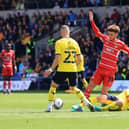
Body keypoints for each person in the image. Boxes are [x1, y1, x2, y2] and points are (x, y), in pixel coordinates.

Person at [72, 10, 129, 112]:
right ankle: (81, 106)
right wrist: (92, 21)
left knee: (103, 94)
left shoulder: (120, 44)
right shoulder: (106, 39)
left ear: (116, 35)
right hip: (100, 69)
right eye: (109, 34)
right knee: (89, 88)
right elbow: (97, 33)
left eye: (111, 34)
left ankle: (105, 107)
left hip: (110, 72)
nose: (109, 36)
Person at [44, 25, 92, 112]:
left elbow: (58, 58)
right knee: (74, 88)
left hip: (62, 69)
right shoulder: (75, 42)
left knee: (53, 85)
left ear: (62, 32)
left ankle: (49, 107)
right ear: (68, 32)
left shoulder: (59, 42)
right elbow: (80, 58)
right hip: (73, 69)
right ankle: (87, 102)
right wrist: (74, 65)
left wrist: (51, 69)